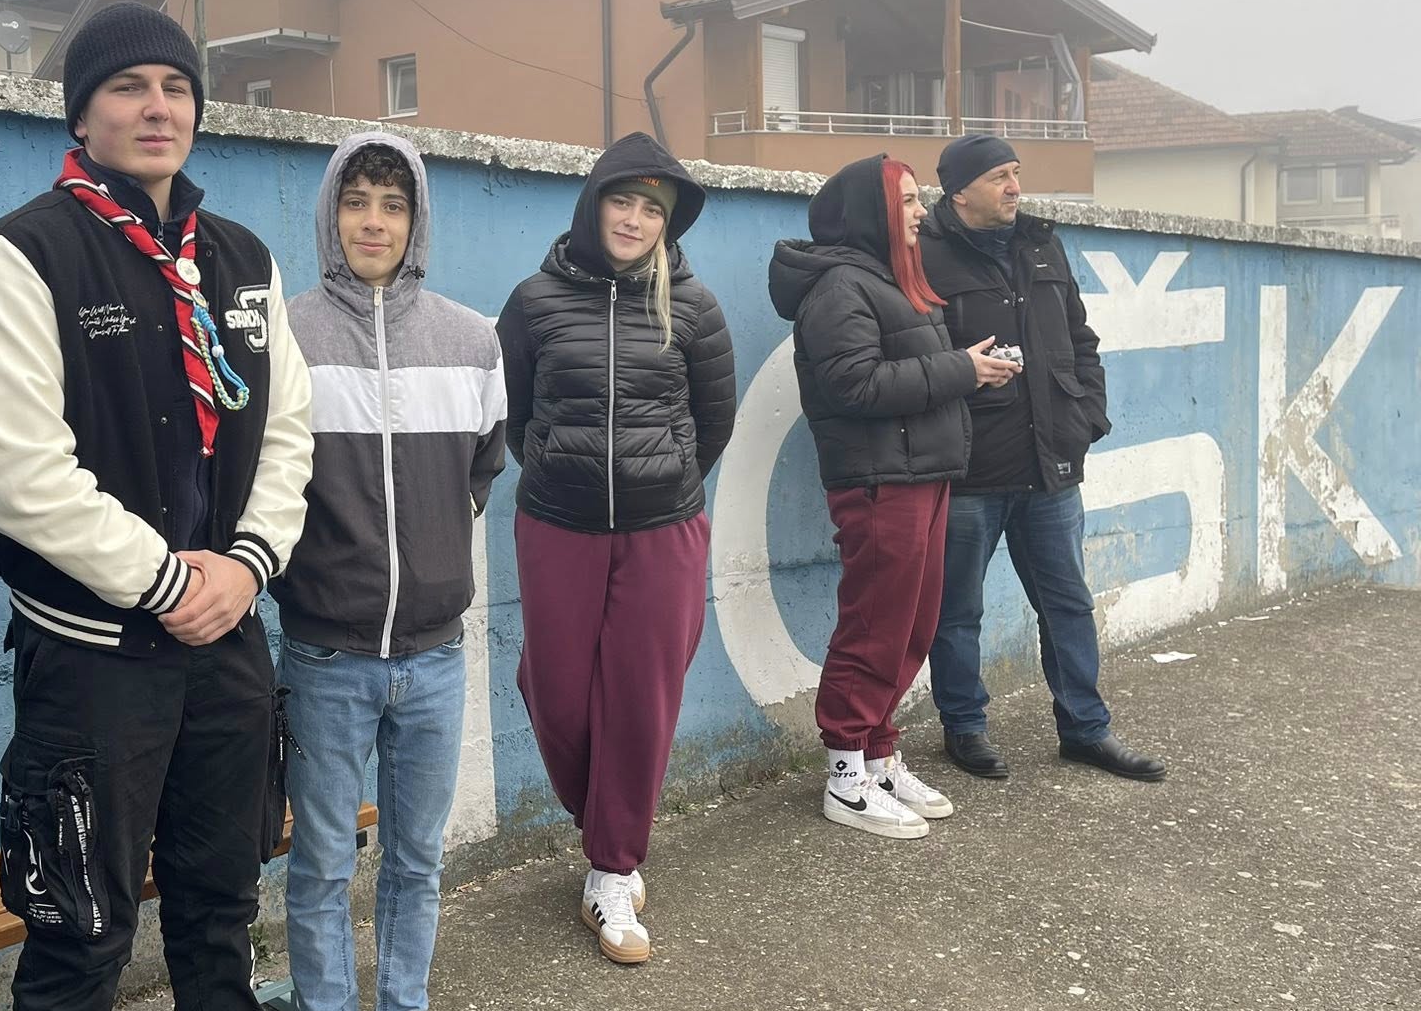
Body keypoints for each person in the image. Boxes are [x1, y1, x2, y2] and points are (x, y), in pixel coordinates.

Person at [0, 1, 316, 1011]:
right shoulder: (24, 254)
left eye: (175, 87)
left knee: (221, 889)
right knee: (76, 917)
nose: (156, 107)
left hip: (227, 643)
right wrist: (168, 582)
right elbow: (19, 474)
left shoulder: (242, 261)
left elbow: (288, 434)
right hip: (95, 658)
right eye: (127, 87)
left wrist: (245, 568)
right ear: (82, 112)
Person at [270, 132, 506, 1011]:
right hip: (324, 652)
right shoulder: (285, 334)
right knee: (323, 860)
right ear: (331, 214)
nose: (373, 221)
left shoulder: (470, 339)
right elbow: (260, 477)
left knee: (416, 856)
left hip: (434, 652)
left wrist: (434, 562)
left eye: (393, 204)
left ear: (416, 222)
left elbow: (483, 466)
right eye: (356, 201)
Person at [495, 132, 736, 965]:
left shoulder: (692, 306)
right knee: (553, 690)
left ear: (669, 224)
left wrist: (661, 479)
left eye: (652, 210)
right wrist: (559, 470)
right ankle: (604, 820)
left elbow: (713, 422)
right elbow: (514, 413)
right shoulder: (533, 301)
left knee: (641, 696)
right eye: (621, 201)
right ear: (592, 205)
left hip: (662, 527)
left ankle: (612, 865)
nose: (634, 219)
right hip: (555, 524)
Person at [769, 155, 1017, 840]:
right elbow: (856, 385)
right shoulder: (838, 287)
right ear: (869, 212)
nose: (920, 211)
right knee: (875, 625)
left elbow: (906, 373)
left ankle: (878, 756)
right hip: (880, 482)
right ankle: (846, 776)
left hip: (922, 473)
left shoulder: (888, 280)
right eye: (906, 201)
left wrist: (969, 370)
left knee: (912, 624)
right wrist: (960, 368)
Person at [918, 134, 1167, 783]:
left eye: (1015, 173)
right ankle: (964, 727)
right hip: (970, 470)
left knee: (1068, 605)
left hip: (1050, 466)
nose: (1014, 187)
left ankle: (1086, 730)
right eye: (998, 176)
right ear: (959, 191)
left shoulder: (1041, 244)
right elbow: (914, 355)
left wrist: (1086, 419)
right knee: (957, 611)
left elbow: (1081, 340)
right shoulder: (925, 254)